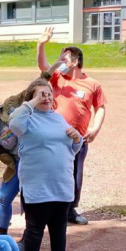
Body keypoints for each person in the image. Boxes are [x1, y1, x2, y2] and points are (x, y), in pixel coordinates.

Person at [0, 60, 63, 236]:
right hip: (16, 165)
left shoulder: (10, 105)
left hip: (32, 161)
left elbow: (34, 86)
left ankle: (28, 235)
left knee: (28, 201)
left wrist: (54, 67)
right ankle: (2, 231)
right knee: (3, 197)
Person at [9, 79, 83, 251]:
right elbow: (14, 123)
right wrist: (31, 103)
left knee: (59, 229)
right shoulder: (26, 120)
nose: (46, 97)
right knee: (34, 230)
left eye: (49, 93)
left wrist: (77, 139)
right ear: (31, 98)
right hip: (37, 185)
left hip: (61, 183)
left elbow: (71, 149)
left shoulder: (59, 119)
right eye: (40, 94)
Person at [37, 27, 107, 225]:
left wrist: (95, 128)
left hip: (78, 139)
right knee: (52, 171)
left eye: (65, 59)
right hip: (55, 136)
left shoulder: (92, 84)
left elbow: (100, 107)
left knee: (75, 175)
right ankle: (51, 208)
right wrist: (41, 44)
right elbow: (43, 67)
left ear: (76, 61)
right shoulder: (58, 78)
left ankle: (70, 210)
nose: (60, 62)